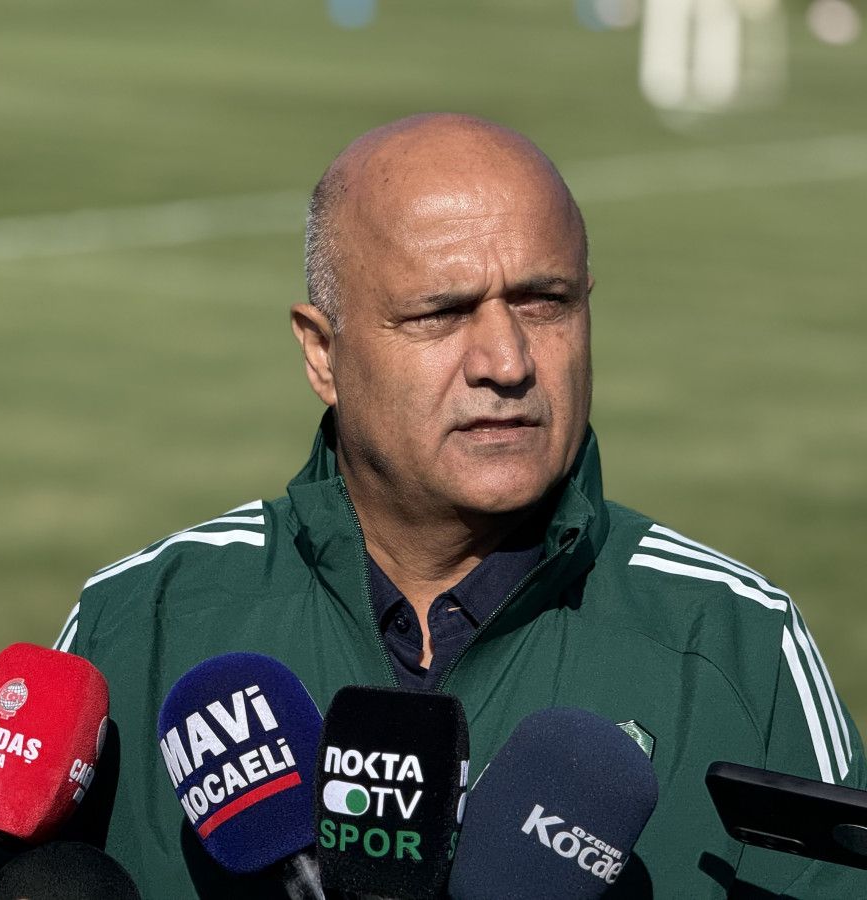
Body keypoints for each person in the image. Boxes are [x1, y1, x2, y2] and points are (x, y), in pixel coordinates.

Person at [59, 114, 867, 897]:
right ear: (322, 352)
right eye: (440, 313)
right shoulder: (138, 623)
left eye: (544, 302)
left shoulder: (738, 644)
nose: (506, 362)